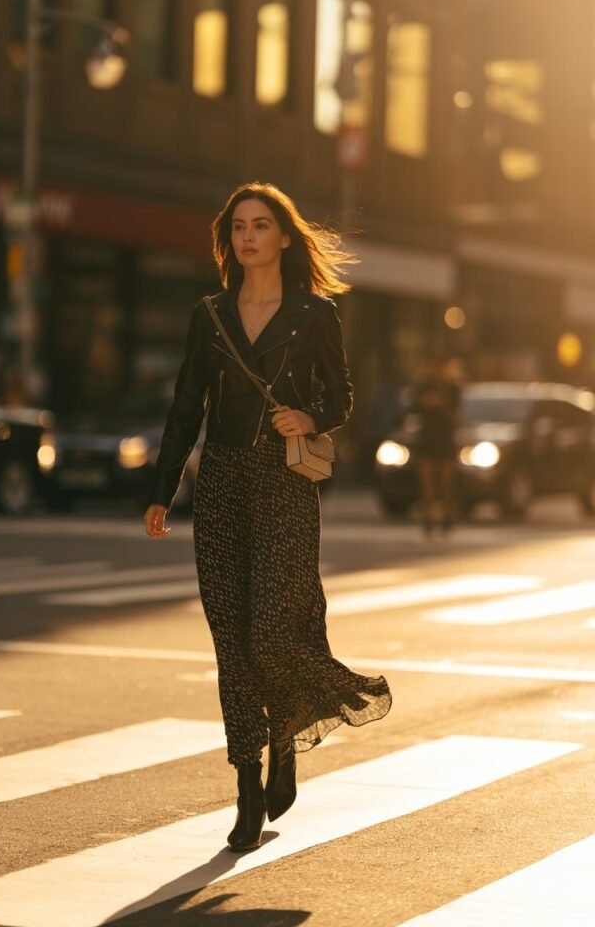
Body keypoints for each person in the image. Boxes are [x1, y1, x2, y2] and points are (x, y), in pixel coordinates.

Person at [144, 182, 392, 853]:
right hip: (221, 481)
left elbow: (341, 397)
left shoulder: (314, 315)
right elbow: (186, 405)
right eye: (238, 228)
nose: (248, 236)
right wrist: (163, 490)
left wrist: (308, 416)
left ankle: (299, 719)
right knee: (231, 640)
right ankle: (248, 790)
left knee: (270, 636)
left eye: (261, 225)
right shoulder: (210, 314)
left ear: (284, 236)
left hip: (283, 481)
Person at [411, 354, 461, 535]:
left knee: (446, 483)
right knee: (428, 484)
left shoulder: (453, 387)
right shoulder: (424, 385)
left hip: (445, 441)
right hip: (428, 440)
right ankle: (429, 519)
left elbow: (454, 410)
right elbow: (416, 405)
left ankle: (447, 516)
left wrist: (435, 402)